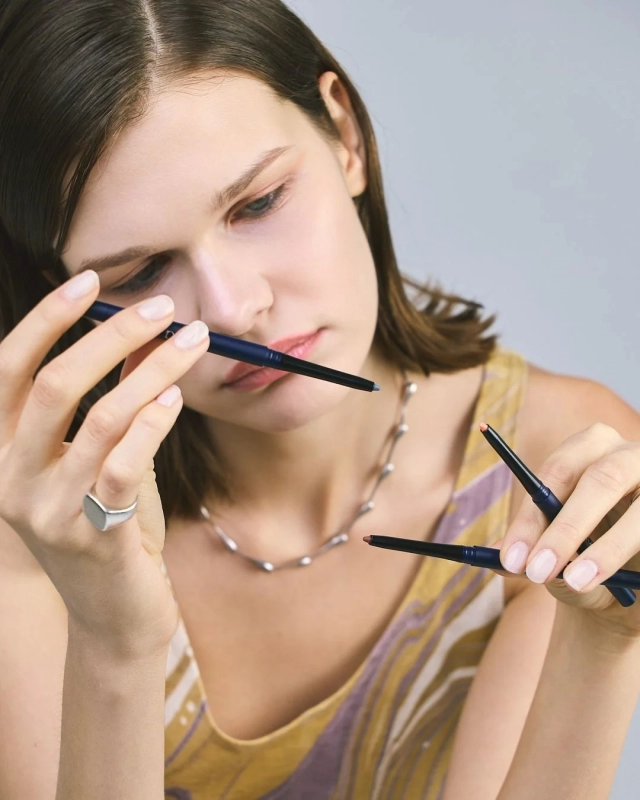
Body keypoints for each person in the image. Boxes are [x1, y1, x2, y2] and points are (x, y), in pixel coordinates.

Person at [0, 1, 639, 798]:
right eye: (138, 276)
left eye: (258, 204)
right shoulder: (43, 517)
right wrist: (115, 640)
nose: (233, 309)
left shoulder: (558, 463)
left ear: (345, 134)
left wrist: (606, 641)